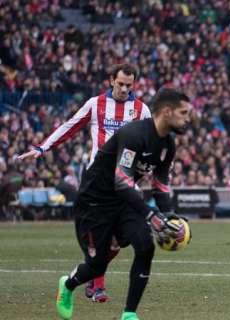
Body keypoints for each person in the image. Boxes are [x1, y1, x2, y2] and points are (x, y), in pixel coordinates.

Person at [18, 63, 151, 303]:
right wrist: (42, 147)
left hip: (125, 182)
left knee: (123, 238)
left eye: (128, 85)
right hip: (97, 183)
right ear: (111, 80)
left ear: (134, 85)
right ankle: (96, 285)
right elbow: (70, 127)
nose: (123, 89)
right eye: (120, 83)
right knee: (102, 237)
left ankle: (92, 276)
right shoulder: (95, 104)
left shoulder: (141, 110)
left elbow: (152, 141)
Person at [55, 88, 190, 320]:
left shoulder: (168, 145)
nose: (188, 118)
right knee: (96, 266)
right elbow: (122, 180)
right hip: (94, 203)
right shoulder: (133, 134)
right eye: (184, 112)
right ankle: (68, 285)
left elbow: (161, 184)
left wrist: (169, 215)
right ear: (167, 112)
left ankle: (129, 314)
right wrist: (151, 215)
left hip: (123, 201)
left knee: (145, 247)